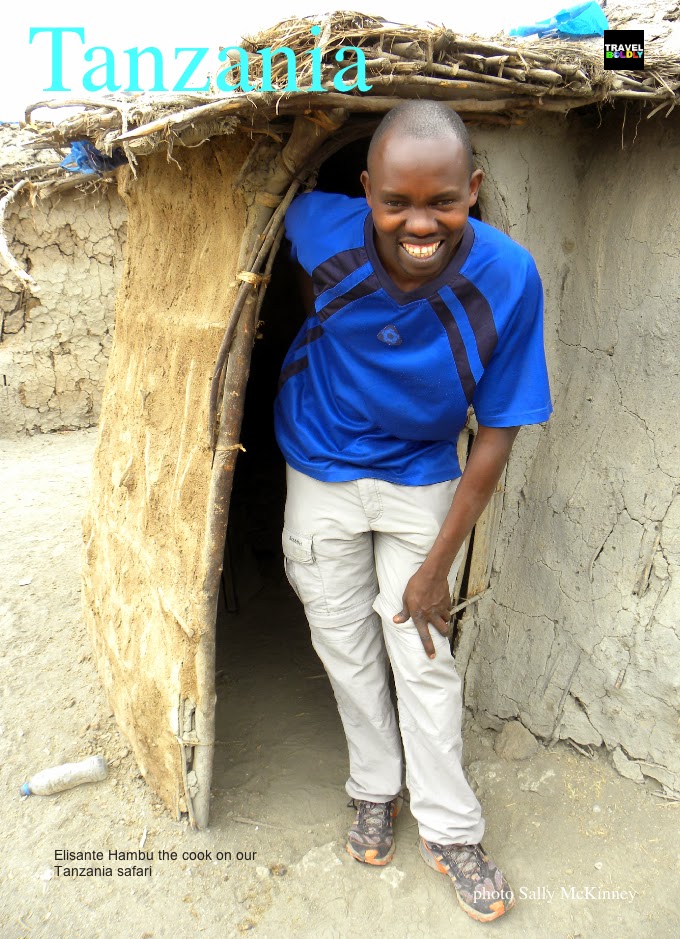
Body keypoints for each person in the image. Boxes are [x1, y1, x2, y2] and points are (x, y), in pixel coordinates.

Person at [273, 100, 552, 923]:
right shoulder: (321, 229)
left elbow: (497, 434)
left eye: (443, 201)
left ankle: (451, 826)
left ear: (474, 187)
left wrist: (437, 572)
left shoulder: (507, 277)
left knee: (422, 650)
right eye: (397, 202)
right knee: (343, 638)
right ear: (365, 192)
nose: (419, 222)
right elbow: (266, 209)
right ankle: (373, 786)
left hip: (423, 471)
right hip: (317, 462)